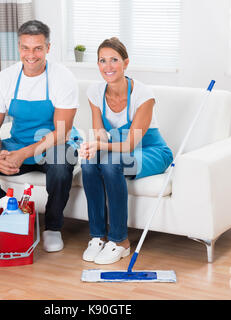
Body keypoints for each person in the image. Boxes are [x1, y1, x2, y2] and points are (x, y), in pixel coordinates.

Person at [0, 20, 80, 253]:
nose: (31, 54)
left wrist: (22, 154)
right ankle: (4, 216)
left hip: (54, 144)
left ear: (48, 47)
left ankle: (53, 227)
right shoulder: (4, 79)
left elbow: (62, 131)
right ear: (18, 48)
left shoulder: (62, 77)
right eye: (25, 47)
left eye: (38, 48)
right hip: (17, 144)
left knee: (60, 163)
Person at [79, 38, 173, 265]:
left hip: (151, 151)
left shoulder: (143, 95)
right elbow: (100, 133)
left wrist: (100, 146)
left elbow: (131, 145)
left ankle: (120, 241)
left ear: (125, 63)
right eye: (102, 61)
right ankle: (97, 236)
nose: (108, 66)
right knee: (88, 163)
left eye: (114, 60)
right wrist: (93, 148)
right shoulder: (95, 92)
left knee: (112, 165)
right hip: (117, 149)